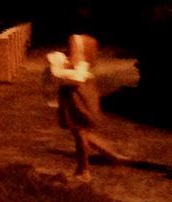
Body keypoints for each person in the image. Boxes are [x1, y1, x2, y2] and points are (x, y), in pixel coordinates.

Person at [46, 33, 130, 180]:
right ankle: (114, 156)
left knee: (80, 132)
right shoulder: (92, 41)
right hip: (87, 87)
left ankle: (83, 171)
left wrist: (59, 62)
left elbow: (76, 65)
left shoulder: (75, 39)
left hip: (76, 91)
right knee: (84, 132)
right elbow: (88, 63)